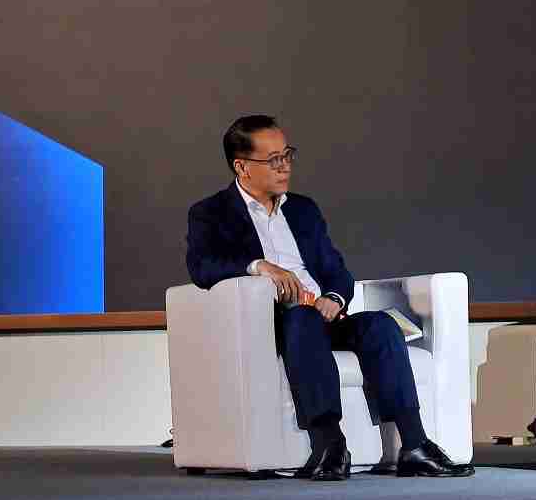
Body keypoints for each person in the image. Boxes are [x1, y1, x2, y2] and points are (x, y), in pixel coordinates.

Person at [184, 115, 474, 480]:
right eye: (272, 159)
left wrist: (335, 297)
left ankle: (414, 446)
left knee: (381, 326)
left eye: (287, 155)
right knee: (302, 318)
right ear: (241, 166)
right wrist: (260, 267)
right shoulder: (211, 213)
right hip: (275, 322)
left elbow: (336, 270)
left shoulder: (303, 209)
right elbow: (202, 266)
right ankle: (329, 444)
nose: (284, 166)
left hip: (323, 315)